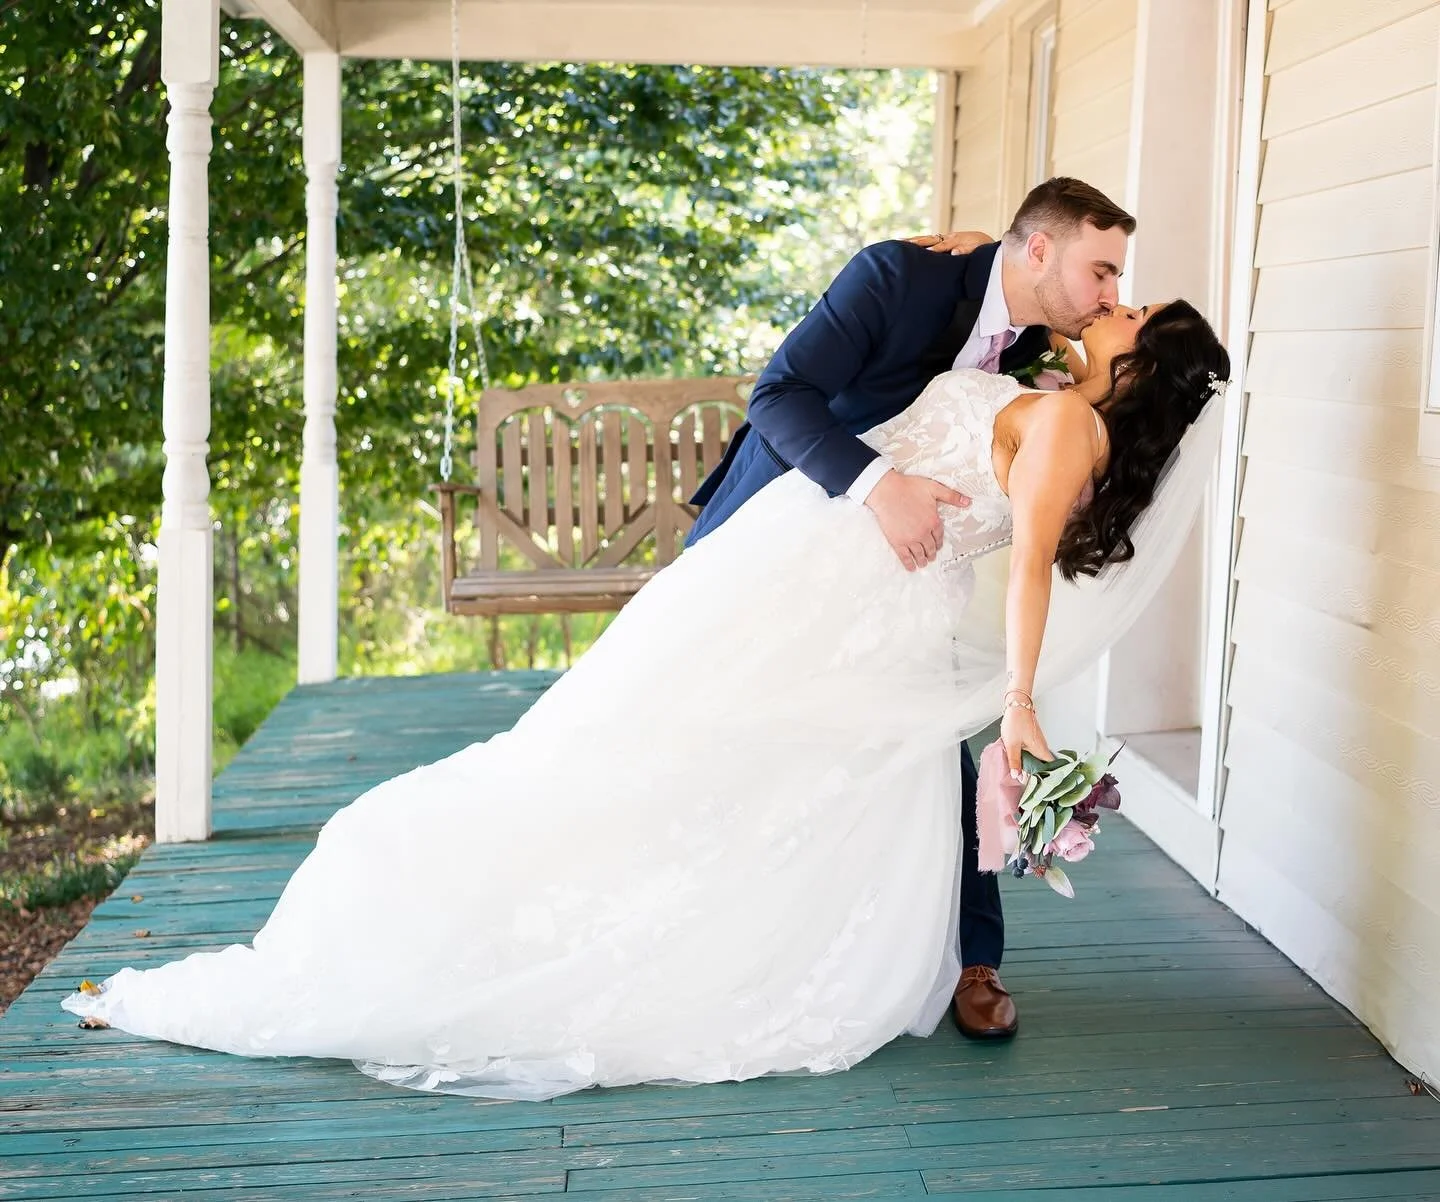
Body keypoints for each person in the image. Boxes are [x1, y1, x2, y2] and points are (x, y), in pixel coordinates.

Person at [63, 284, 1229, 1102]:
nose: (1113, 301)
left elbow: (1026, 567)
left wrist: (1019, 701)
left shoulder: (1065, 420)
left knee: (662, 752)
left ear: (1135, 366)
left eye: (1132, 310)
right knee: (653, 745)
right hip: (812, 572)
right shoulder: (1046, 387)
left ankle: (514, 922)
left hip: (838, 596)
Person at [688, 177, 1135, 1041]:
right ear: (1040, 251)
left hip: (906, 580)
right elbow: (778, 394)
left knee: (929, 743)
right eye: (1102, 271)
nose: (1112, 293)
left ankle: (972, 957)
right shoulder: (896, 276)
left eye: (1117, 280)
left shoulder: (1044, 342)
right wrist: (879, 486)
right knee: (737, 740)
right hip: (786, 537)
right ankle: (717, 925)